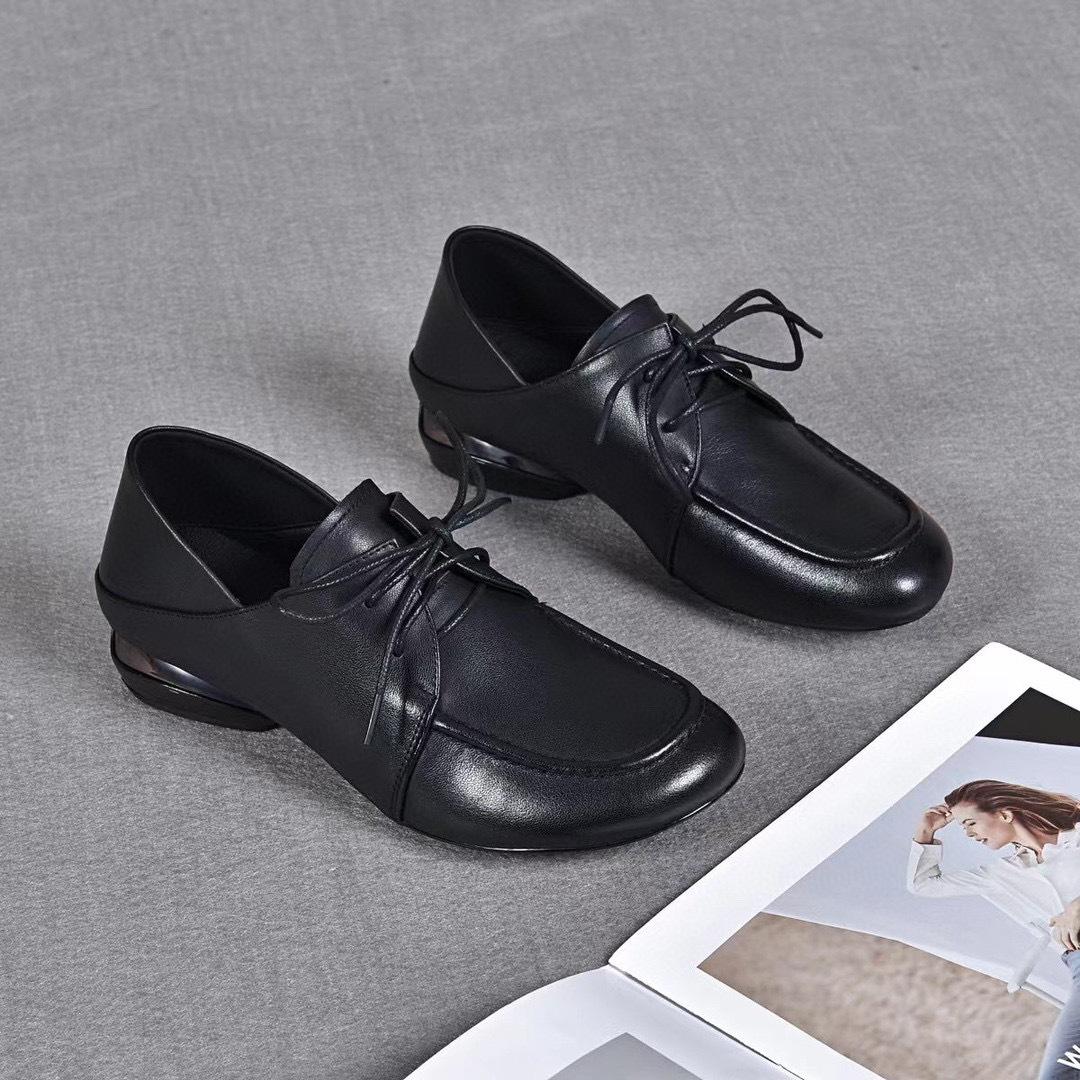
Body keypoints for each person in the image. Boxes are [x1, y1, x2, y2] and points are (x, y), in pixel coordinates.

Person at [908, 780, 1080, 1080]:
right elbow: (923, 885)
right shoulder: (1002, 874)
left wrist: (1076, 907)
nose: (968, 834)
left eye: (970, 823)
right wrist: (926, 831)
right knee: (1060, 1074)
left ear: (1004, 814)